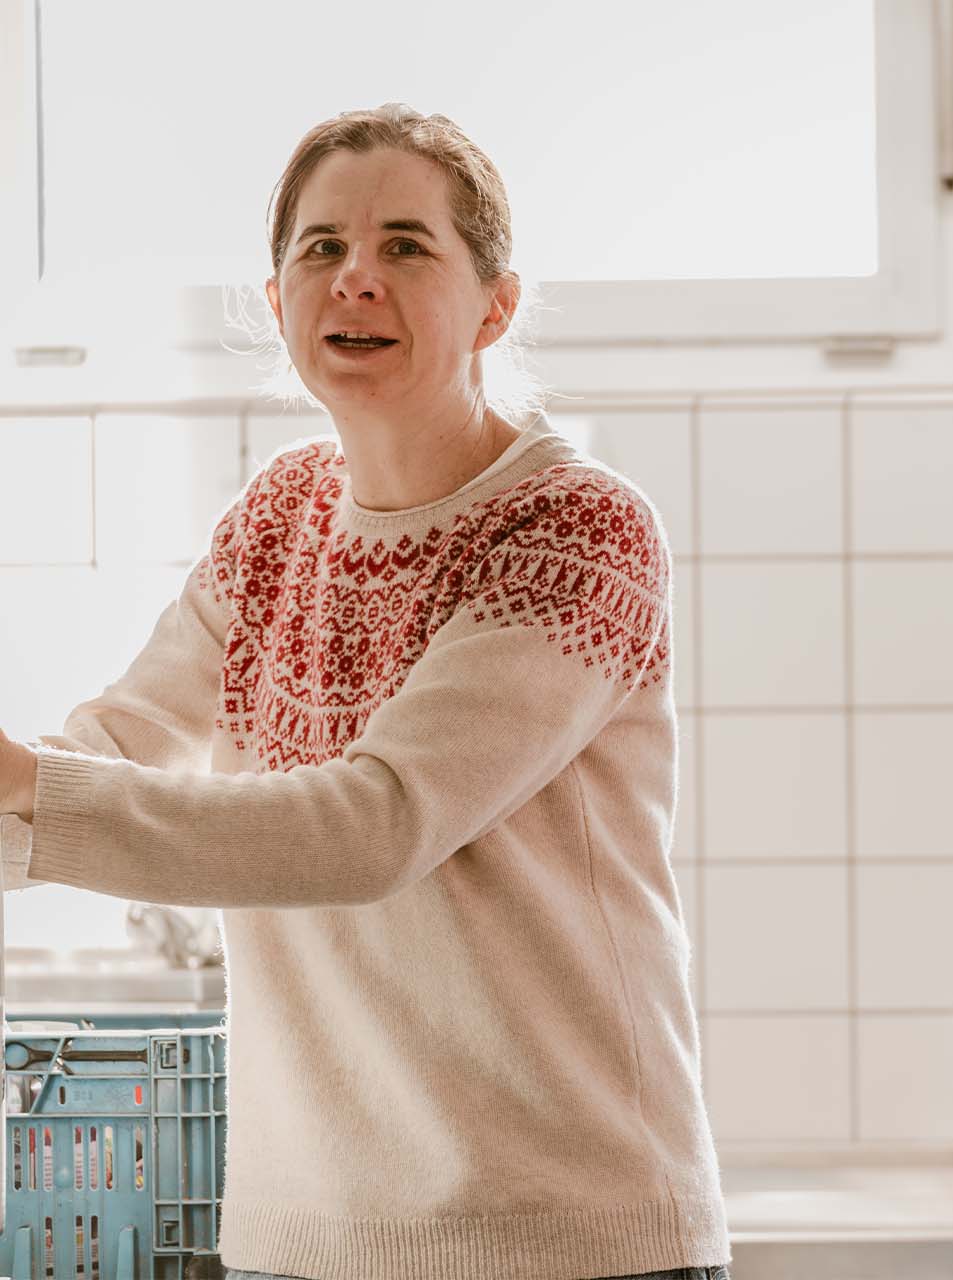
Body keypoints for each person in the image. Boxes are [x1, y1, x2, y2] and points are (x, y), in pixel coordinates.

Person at [0, 105, 729, 1280]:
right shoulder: (277, 517)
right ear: (277, 296)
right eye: (322, 248)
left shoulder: (578, 526)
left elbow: (376, 824)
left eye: (405, 245)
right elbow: (120, 740)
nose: (355, 278)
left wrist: (35, 787)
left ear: (496, 304)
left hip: (561, 1236)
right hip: (299, 1234)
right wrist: (26, 793)